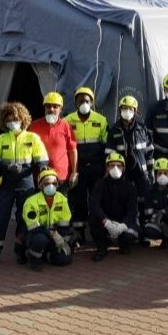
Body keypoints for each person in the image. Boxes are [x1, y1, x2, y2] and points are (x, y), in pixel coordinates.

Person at [0, 102, 49, 267]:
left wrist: (43, 172)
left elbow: (42, 160)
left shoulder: (33, 138)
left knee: (25, 219)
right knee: (0, 218)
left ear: (23, 119)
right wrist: (6, 166)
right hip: (7, 184)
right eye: (9, 119)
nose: (12, 122)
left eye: (16, 119)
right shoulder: (1, 139)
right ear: (4, 121)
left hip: (27, 184)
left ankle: (21, 250)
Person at [106, 95, 154, 245]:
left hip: (141, 174)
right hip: (123, 176)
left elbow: (150, 151)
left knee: (144, 204)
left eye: (130, 109)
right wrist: (113, 173)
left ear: (136, 111)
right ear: (120, 110)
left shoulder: (142, 129)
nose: (127, 111)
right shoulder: (114, 130)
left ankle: (143, 234)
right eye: (124, 108)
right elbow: (109, 154)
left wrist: (151, 171)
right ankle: (127, 233)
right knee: (126, 204)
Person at [65, 87, 109, 245]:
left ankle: (99, 231)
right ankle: (80, 233)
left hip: (97, 168)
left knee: (98, 199)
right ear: (75, 102)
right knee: (78, 200)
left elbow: (107, 147)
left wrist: (106, 169)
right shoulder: (68, 120)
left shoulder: (101, 120)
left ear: (92, 102)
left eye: (87, 100)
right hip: (78, 168)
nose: (84, 103)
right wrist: (72, 171)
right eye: (80, 100)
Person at [89, 153, 140, 261]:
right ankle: (102, 248)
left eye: (118, 165)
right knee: (93, 219)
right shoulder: (100, 184)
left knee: (128, 238)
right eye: (111, 165)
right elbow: (94, 205)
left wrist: (123, 225)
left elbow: (133, 210)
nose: (115, 168)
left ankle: (123, 244)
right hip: (106, 220)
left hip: (123, 222)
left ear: (123, 168)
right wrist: (106, 221)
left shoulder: (129, 186)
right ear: (107, 168)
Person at [21, 169, 73, 271]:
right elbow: (33, 226)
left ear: (57, 185)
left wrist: (62, 239)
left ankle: (46, 255)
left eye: (54, 183)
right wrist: (52, 234)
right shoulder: (31, 201)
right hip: (37, 234)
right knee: (40, 239)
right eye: (47, 183)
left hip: (55, 234)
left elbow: (65, 222)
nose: (51, 186)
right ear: (40, 185)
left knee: (65, 260)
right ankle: (33, 259)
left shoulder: (62, 199)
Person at [28, 92, 78, 194]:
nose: (51, 109)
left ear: (61, 109)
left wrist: (74, 172)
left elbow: (72, 150)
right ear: (44, 108)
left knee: (59, 207)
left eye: (55, 107)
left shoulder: (66, 126)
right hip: (39, 176)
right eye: (48, 106)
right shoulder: (34, 126)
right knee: (40, 207)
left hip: (61, 177)